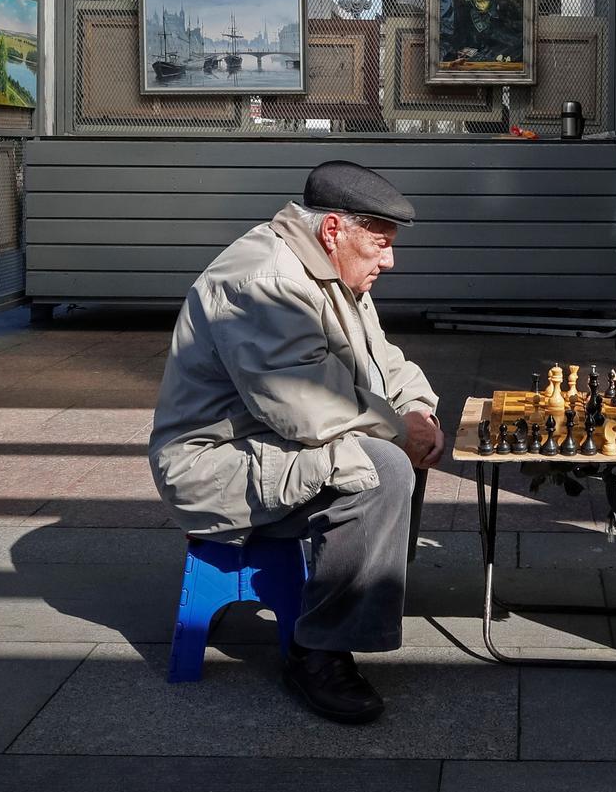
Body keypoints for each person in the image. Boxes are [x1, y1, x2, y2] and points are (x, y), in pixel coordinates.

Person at [150, 160, 445, 725]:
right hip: (215, 464)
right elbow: (300, 407)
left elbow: (381, 361)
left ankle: (366, 586)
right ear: (334, 229)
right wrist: (395, 429)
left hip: (272, 444)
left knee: (410, 445)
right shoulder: (265, 281)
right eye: (380, 244)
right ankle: (318, 652)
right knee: (380, 465)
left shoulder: (332, 267)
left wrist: (418, 408)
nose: (390, 259)